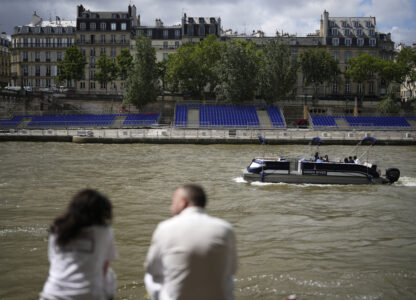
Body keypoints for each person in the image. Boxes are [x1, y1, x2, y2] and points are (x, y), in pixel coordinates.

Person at [144, 184, 238, 300]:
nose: (171, 205)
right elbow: (233, 269)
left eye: (173, 201)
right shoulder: (226, 228)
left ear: (183, 202)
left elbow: (151, 268)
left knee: (150, 277)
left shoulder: (165, 228)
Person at [40, 189, 117, 300]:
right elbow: (104, 267)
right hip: (89, 295)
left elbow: (54, 261)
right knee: (110, 276)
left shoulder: (56, 229)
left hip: (52, 294)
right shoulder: (104, 232)